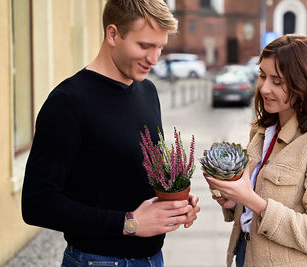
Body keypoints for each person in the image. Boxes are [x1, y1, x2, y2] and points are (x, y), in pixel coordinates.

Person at [21, 0, 200, 266]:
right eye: (144, 46)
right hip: (96, 260)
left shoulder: (148, 92)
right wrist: (129, 223)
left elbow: (134, 174)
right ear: (113, 34)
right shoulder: (68, 101)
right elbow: (37, 204)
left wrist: (174, 200)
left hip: (153, 259)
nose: (154, 59)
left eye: (160, 47)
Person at [204, 35, 307, 267]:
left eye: (278, 81)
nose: (264, 88)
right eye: (262, 76)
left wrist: (252, 200)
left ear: (305, 83)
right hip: (246, 255)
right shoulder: (262, 131)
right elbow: (249, 207)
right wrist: (233, 201)